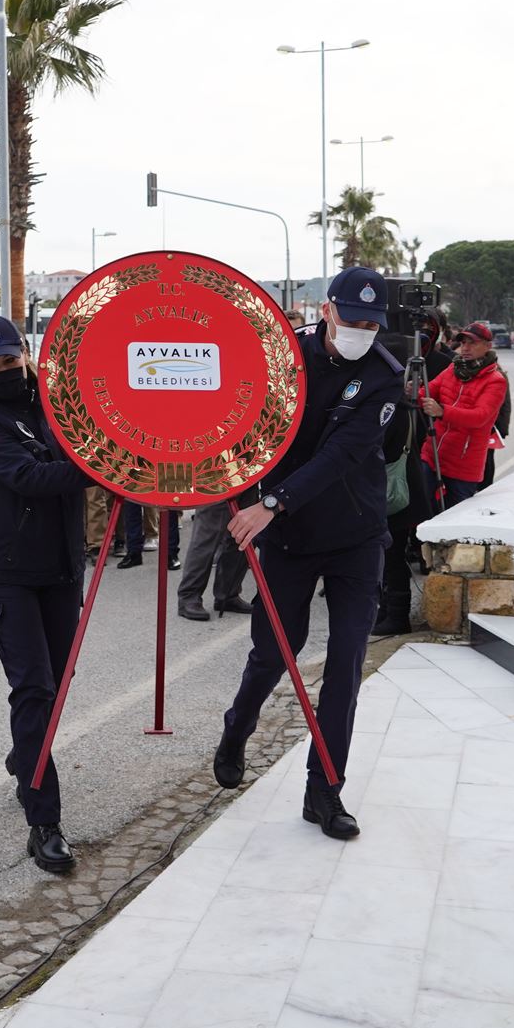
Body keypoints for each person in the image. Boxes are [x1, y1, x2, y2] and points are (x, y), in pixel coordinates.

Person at [213, 267, 406, 841]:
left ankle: (324, 791)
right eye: (353, 318)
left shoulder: (383, 378)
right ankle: (237, 727)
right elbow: (238, 417)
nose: (363, 330)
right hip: (290, 543)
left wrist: (270, 502)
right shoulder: (282, 358)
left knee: (346, 665)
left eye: (374, 323)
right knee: (274, 653)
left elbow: (343, 455)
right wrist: (236, 485)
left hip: (355, 537)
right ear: (327, 310)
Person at [0, 316, 90, 874]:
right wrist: (100, 471)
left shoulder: (60, 404)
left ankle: (25, 754)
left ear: (26, 354)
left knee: (55, 688)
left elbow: (92, 437)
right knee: (34, 688)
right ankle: (44, 821)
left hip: (60, 567)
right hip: (5, 572)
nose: (4, 371)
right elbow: (31, 477)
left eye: (10, 360)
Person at [375, 308, 452, 636]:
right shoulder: (404, 402)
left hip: (395, 493)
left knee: (391, 560)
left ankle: (396, 616)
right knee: (388, 559)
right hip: (406, 490)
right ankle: (387, 613)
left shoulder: (390, 406)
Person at [419, 322, 507, 510]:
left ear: (488, 346)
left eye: (472, 343)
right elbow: (429, 390)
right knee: (424, 511)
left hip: (463, 464)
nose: (465, 348)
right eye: (463, 342)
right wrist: (415, 392)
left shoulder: (495, 380)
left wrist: (442, 411)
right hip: (433, 454)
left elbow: (479, 417)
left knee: (455, 521)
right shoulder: (453, 368)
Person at [176, 500, 251, 621]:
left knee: (241, 533)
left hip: (248, 482)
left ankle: (228, 595)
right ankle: (189, 596)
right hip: (216, 482)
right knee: (206, 534)